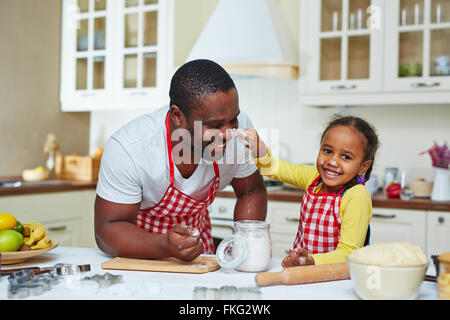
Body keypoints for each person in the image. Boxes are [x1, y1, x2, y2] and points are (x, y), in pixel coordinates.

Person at [95, 59, 267, 262]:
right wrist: (163, 245)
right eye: (214, 125)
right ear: (177, 115)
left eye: (233, 120)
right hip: (138, 258)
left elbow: (251, 190)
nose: (228, 134)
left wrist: (243, 248)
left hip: (200, 256)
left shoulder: (238, 131)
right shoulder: (130, 148)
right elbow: (108, 229)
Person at [240, 115, 379, 267]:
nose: (332, 161)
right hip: (304, 270)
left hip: (336, 278)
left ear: (363, 167)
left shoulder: (356, 196)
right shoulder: (313, 177)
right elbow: (273, 168)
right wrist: (258, 148)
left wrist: (311, 261)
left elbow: (348, 253)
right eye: (327, 151)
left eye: (346, 157)